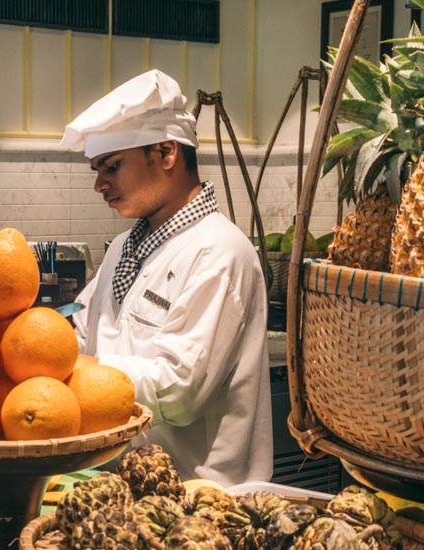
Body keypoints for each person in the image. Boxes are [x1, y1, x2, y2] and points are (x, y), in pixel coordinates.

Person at [60, 69, 272, 487]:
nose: (100, 184)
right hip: (124, 488)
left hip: (200, 501)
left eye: (112, 166)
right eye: (97, 170)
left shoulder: (219, 251)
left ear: (167, 153)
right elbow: (83, 334)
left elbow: (179, 392)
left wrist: (72, 367)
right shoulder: (125, 248)